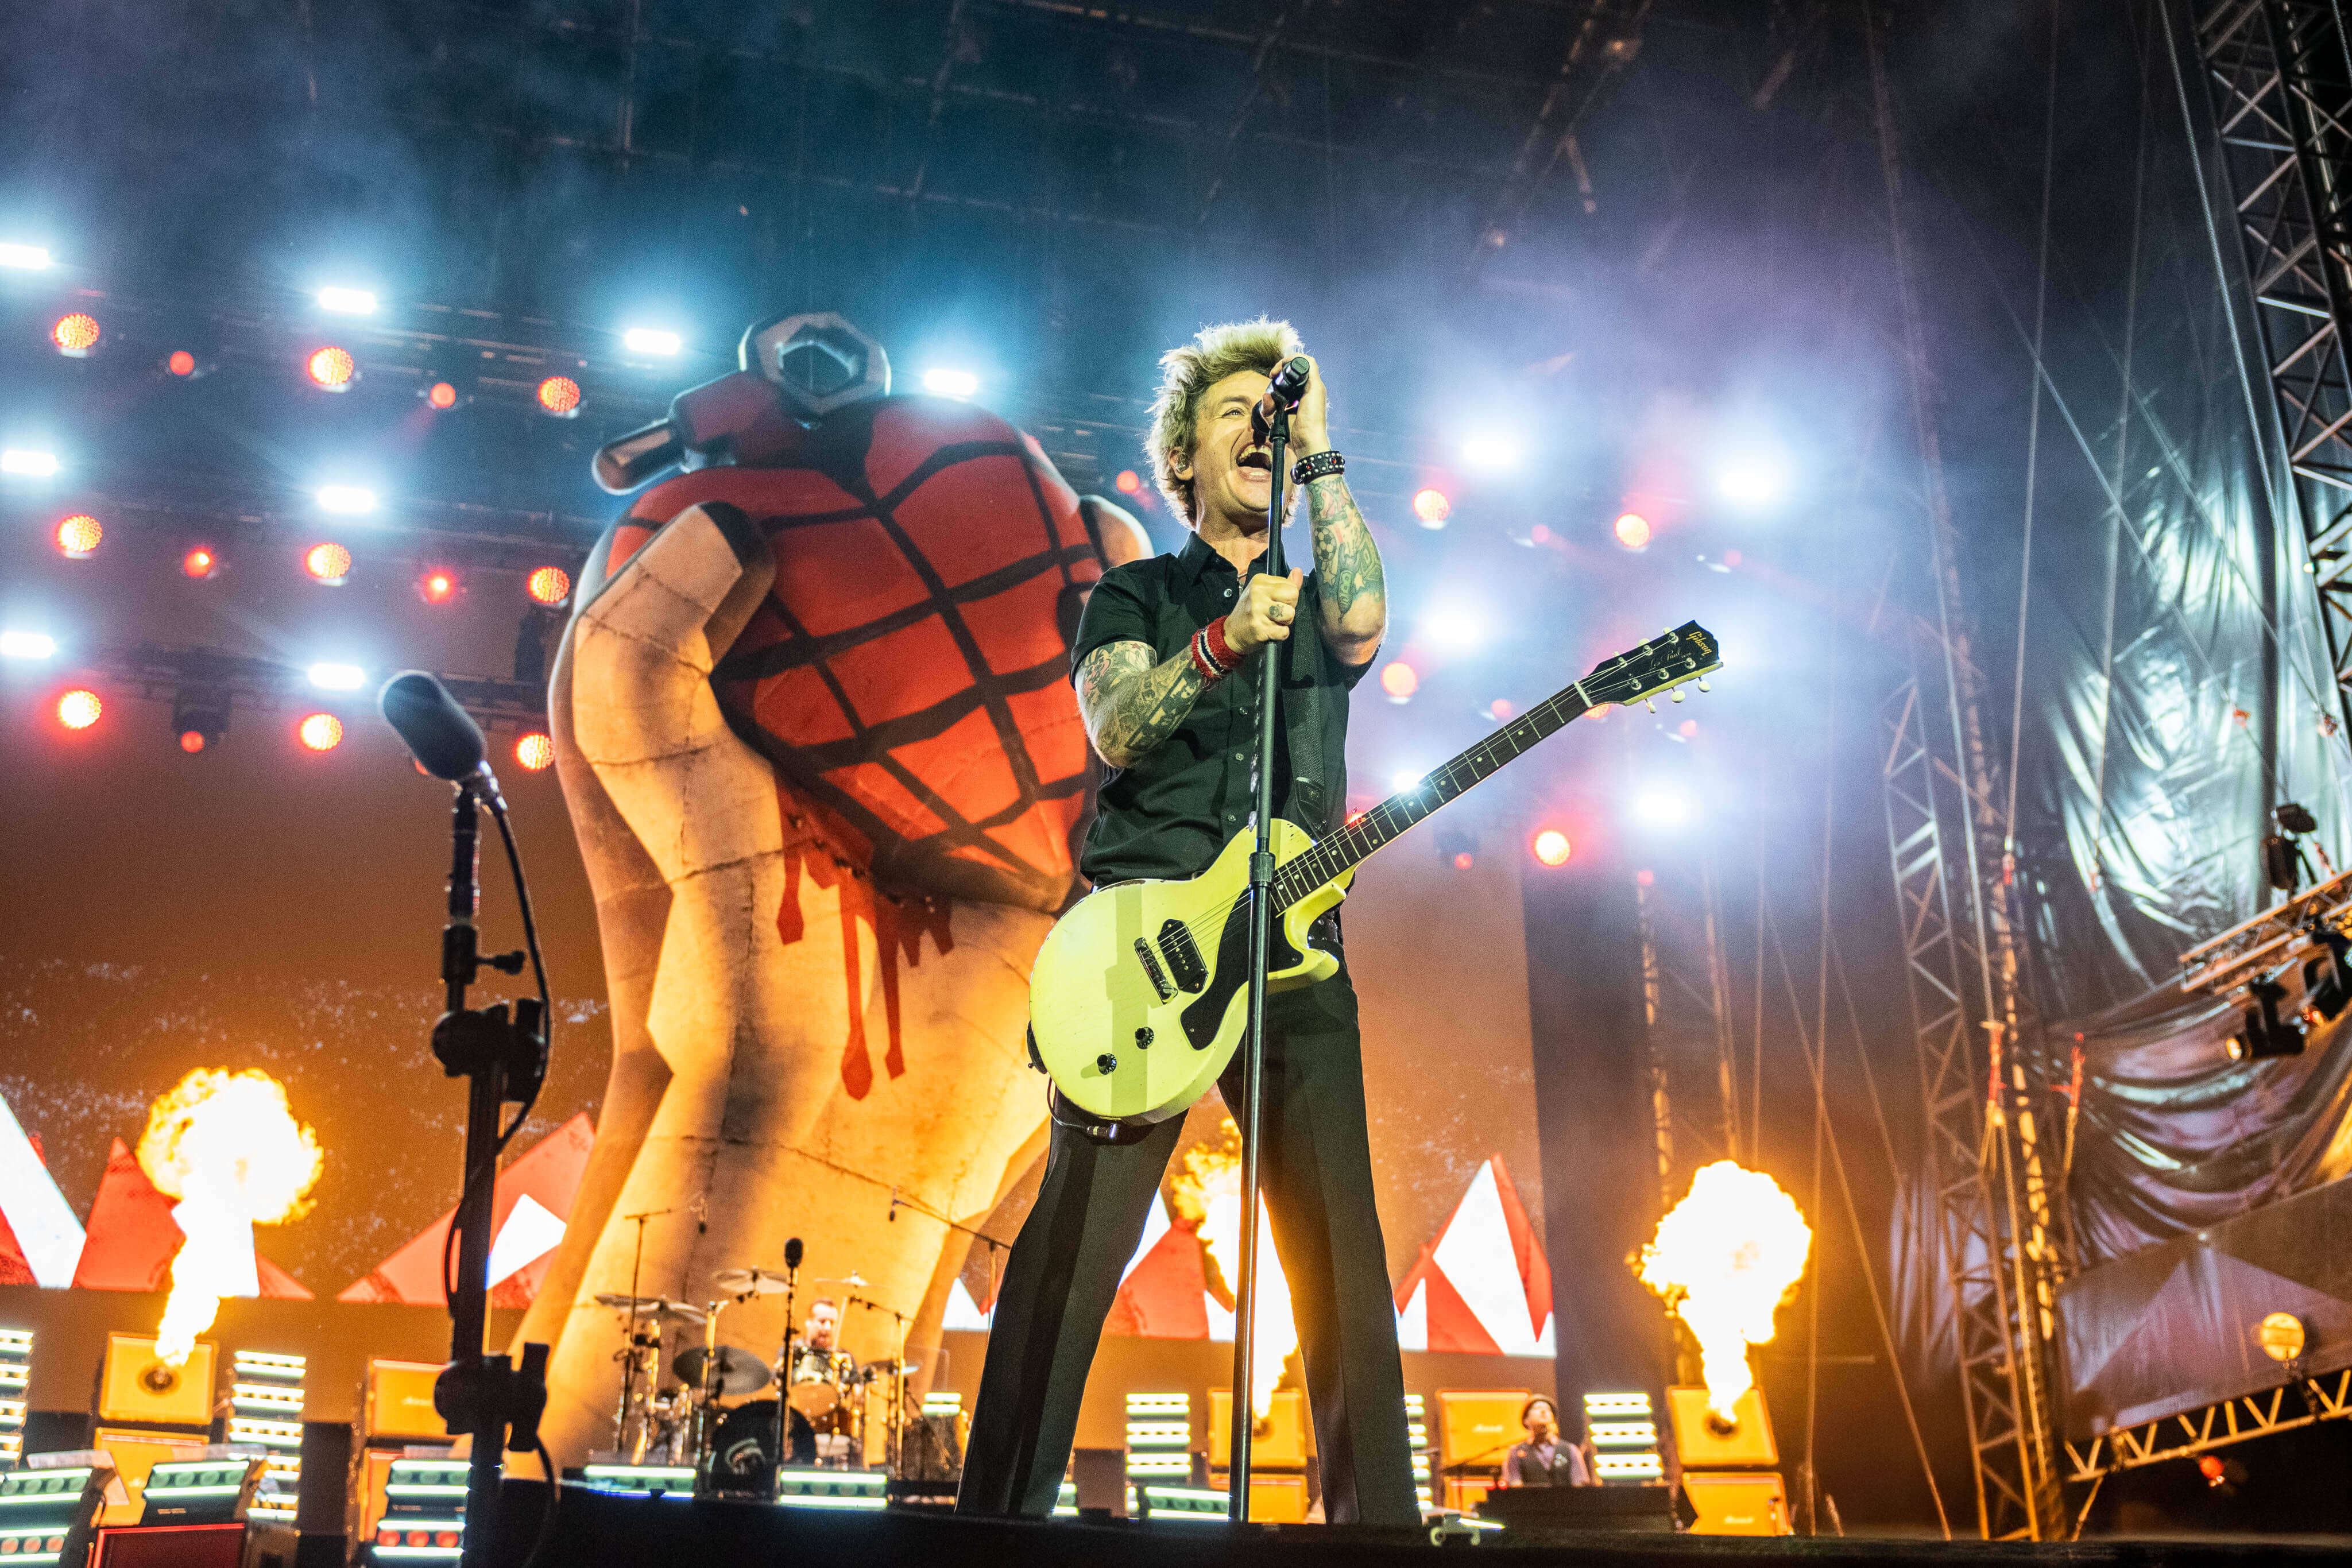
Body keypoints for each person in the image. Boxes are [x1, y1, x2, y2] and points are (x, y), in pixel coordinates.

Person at [957, 318, 1411, 1524]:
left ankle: (1379, 1534)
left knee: (1341, 1253)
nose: (1260, 430)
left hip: (1294, 954)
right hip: (1142, 955)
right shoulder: (1135, 594)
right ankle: (995, 1526)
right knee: (1070, 1255)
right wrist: (1217, 642)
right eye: (1233, 416)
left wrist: (1321, 448)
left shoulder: (1317, 592)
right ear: (1183, 458)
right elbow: (1113, 727)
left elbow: (1362, 623)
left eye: (1273, 416)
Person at [1503, 1397, 1592, 1488]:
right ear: (1526, 1420)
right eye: (1537, 1408)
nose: (1543, 1411)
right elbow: (1514, 1487)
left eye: (1548, 1409)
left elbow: (1580, 1486)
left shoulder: (1570, 1449)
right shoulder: (1516, 1452)